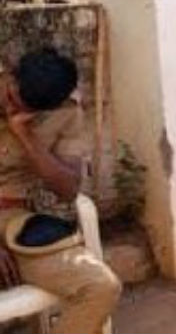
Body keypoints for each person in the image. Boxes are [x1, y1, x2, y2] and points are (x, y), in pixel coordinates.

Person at [0, 48, 121, 334]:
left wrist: (24, 133)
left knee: (100, 287)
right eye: (11, 98)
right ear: (10, 76)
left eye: (27, 110)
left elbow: (67, 190)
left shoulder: (65, 113)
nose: (12, 109)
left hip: (13, 220)